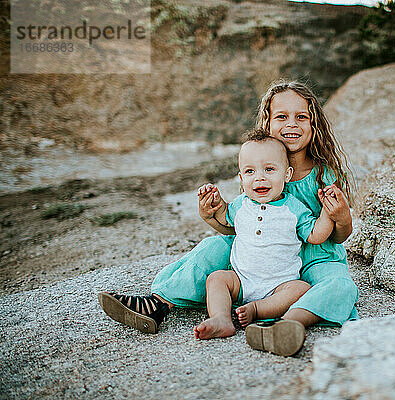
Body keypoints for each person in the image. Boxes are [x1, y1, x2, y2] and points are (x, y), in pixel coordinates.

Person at [98, 79, 358, 351]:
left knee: (340, 284)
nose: (291, 124)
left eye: (301, 117)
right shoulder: (257, 172)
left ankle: (290, 323)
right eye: (282, 116)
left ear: (314, 125)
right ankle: (159, 303)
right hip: (260, 257)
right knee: (213, 246)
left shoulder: (325, 175)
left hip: (316, 257)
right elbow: (239, 227)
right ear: (267, 123)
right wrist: (211, 216)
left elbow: (340, 235)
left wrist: (339, 215)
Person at [192, 130, 334, 356]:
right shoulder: (240, 205)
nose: (259, 177)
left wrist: (328, 212)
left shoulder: (293, 208)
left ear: (286, 174)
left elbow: (316, 235)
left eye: (269, 170)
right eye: (250, 171)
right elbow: (224, 218)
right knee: (217, 278)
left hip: (280, 285)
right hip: (241, 281)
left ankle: (257, 310)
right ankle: (221, 318)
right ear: (241, 178)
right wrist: (215, 203)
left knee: (301, 289)